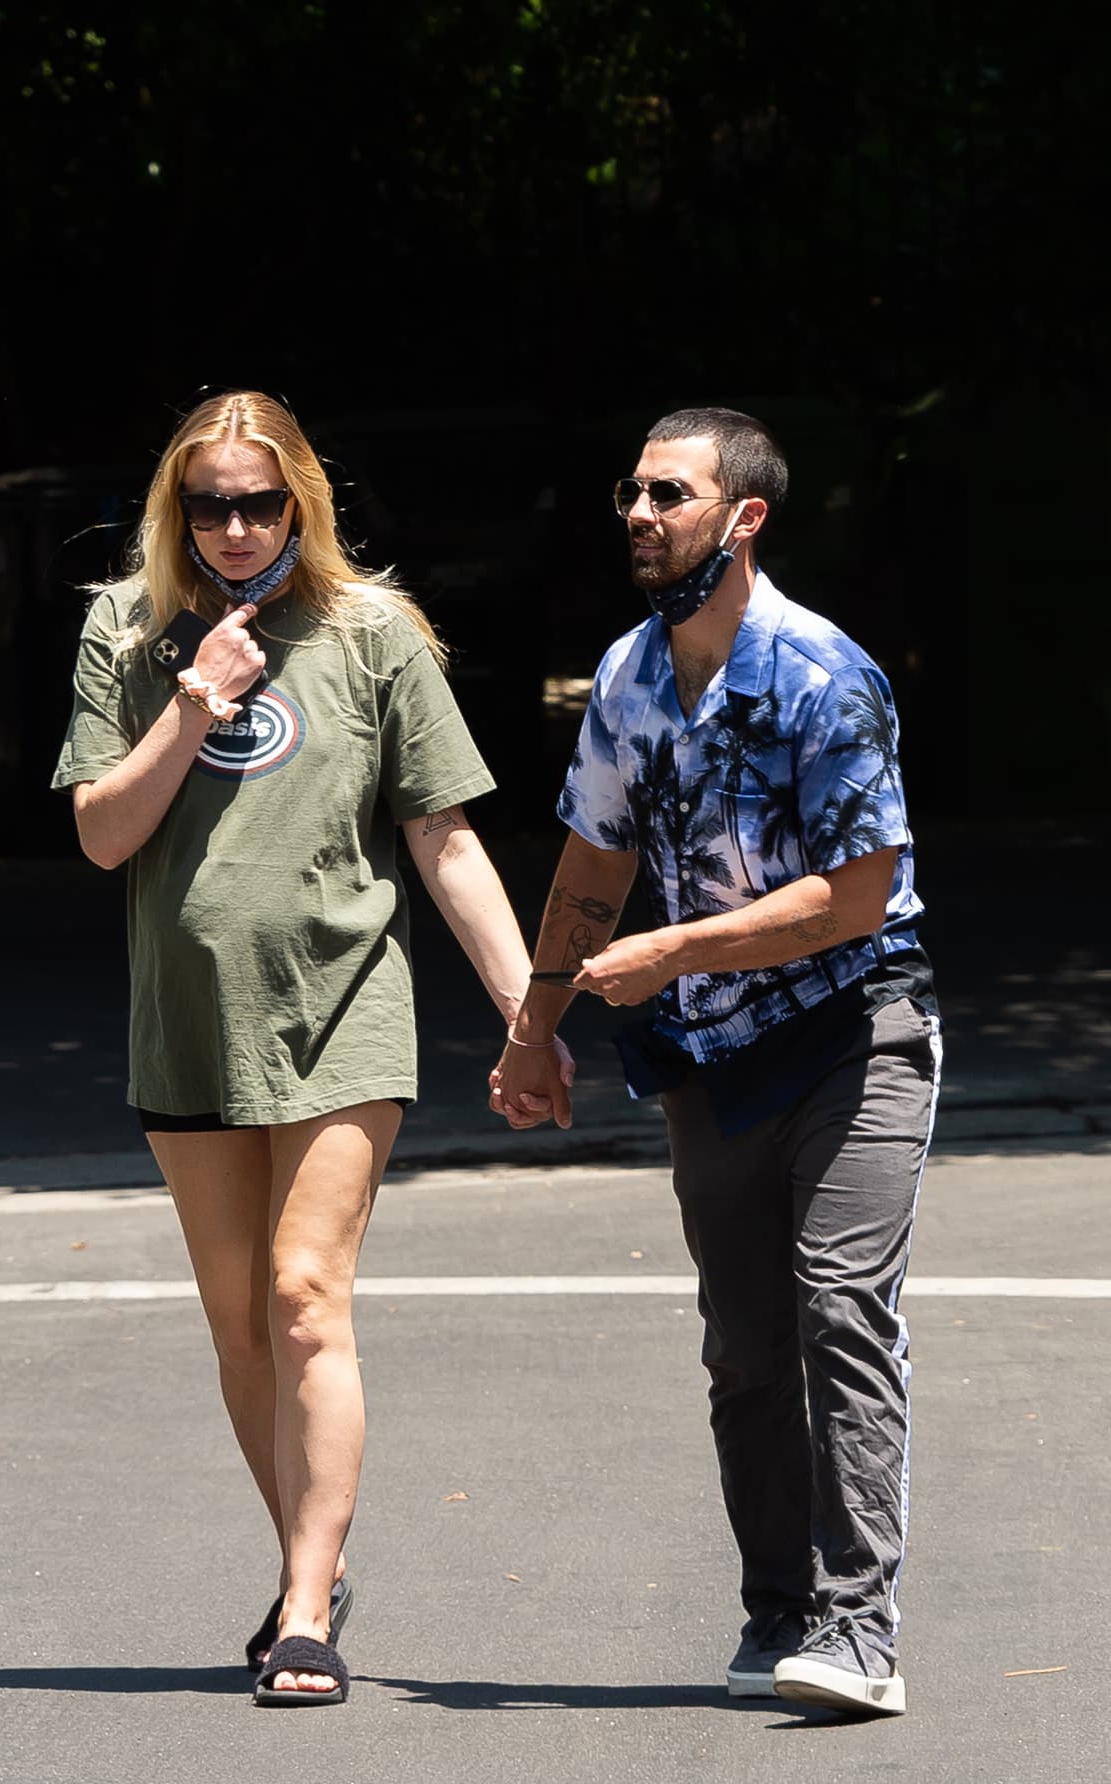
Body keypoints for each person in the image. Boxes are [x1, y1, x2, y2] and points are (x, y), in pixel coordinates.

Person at [53, 390, 562, 1707]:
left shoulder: (370, 633)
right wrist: (192, 698)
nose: (233, 526)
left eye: (258, 502)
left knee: (299, 1295)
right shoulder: (125, 629)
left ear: (301, 505)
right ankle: (310, 1569)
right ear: (177, 510)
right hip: (188, 1021)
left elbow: (444, 837)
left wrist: (529, 1010)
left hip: (343, 1008)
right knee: (238, 1329)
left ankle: (300, 1606)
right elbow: (105, 835)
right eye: (207, 503)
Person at [491, 406, 940, 1717]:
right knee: (746, 1346)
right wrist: (534, 1029)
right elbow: (592, 855)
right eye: (629, 491)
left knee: (840, 1311)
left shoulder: (823, 676)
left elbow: (858, 898)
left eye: (669, 493)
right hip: (713, 1055)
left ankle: (860, 1635)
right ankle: (783, 1611)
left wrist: (675, 950)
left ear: (743, 517)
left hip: (860, 1027)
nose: (639, 513)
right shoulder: (631, 675)